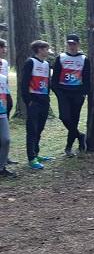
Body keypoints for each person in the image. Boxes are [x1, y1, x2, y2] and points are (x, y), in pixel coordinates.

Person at [51, 34, 90, 157]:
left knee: (74, 120)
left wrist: (83, 92)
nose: (72, 46)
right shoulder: (61, 58)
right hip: (63, 92)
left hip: (77, 93)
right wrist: (58, 92)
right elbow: (54, 78)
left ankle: (69, 147)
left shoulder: (84, 59)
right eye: (70, 44)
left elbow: (87, 78)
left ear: (78, 44)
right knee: (64, 117)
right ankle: (80, 136)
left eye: (74, 44)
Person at [21, 40, 53, 169]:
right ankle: (31, 158)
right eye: (46, 49)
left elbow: (47, 82)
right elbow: (24, 83)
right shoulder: (30, 62)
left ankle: (36, 153)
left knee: (39, 128)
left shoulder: (46, 64)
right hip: (33, 101)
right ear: (39, 49)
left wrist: (47, 97)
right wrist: (28, 101)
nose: (48, 51)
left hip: (44, 100)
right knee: (32, 130)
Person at [0, 59, 15, 176]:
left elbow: (6, 97)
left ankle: (1, 167)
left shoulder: (3, 79)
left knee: (6, 140)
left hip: (2, 114)